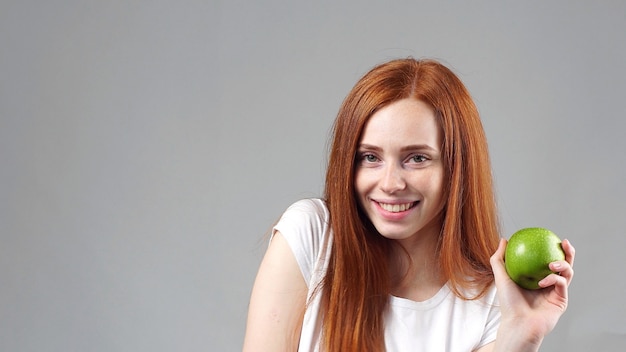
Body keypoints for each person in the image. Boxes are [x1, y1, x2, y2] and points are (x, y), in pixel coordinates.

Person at [242, 58, 575, 351]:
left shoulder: (493, 303)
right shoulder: (313, 237)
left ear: (457, 168)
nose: (389, 183)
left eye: (417, 158)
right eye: (370, 157)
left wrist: (520, 337)